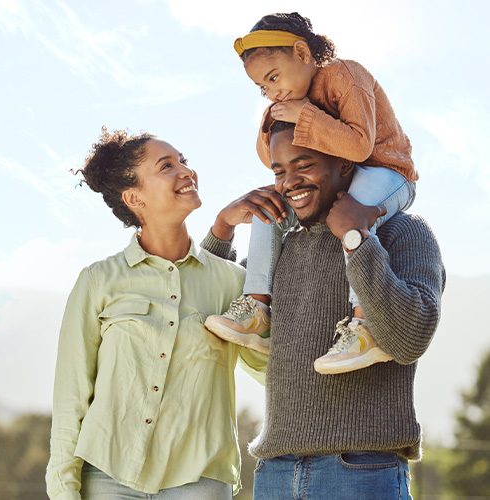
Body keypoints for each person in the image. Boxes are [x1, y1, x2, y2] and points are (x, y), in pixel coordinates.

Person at [201, 120, 445, 498]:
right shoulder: (284, 247)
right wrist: (222, 228)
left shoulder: (404, 231)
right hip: (274, 473)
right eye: (279, 171)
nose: (289, 182)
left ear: (344, 164)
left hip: (362, 471)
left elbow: (410, 337)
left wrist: (356, 239)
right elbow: (211, 303)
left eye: (304, 165)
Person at [45, 129, 268, 500]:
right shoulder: (99, 281)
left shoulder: (233, 282)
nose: (185, 171)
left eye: (184, 161)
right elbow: (71, 396)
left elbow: (265, 367)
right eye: (167, 166)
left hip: (199, 480)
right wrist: (64, 488)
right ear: (134, 197)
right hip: (107, 476)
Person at [205, 12, 418, 374]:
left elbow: (359, 146)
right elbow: (269, 157)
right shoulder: (290, 99)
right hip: (339, 179)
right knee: (269, 204)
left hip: (386, 172)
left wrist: (305, 114)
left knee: (354, 209)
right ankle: (258, 308)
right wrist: (272, 118)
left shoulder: (345, 75)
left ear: (303, 54)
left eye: (273, 77)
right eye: (262, 88)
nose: (272, 91)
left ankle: (365, 326)